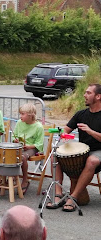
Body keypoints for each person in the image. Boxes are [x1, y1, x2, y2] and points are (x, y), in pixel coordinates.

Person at [49, 84, 101, 212]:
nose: (85, 95)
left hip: (98, 151)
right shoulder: (80, 114)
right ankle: (58, 194)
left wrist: (90, 131)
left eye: (88, 93)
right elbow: (66, 130)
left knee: (92, 161)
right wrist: (64, 135)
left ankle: (73, 197)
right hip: (83, 150)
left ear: (98, 96)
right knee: (55, 155)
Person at [12, 103, 44, 194]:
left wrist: (28, 146)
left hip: (32, 148)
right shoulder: (19, 123)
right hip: (20, 146)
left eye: (23, 114)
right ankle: (13, 176)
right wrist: (16, 140)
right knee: (9, 153)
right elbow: (14, 136)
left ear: (30, 115)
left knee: (22, 157)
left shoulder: (38, 127)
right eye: (20, 114)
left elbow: (39, 144)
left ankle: (25, 179)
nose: (20, 116)